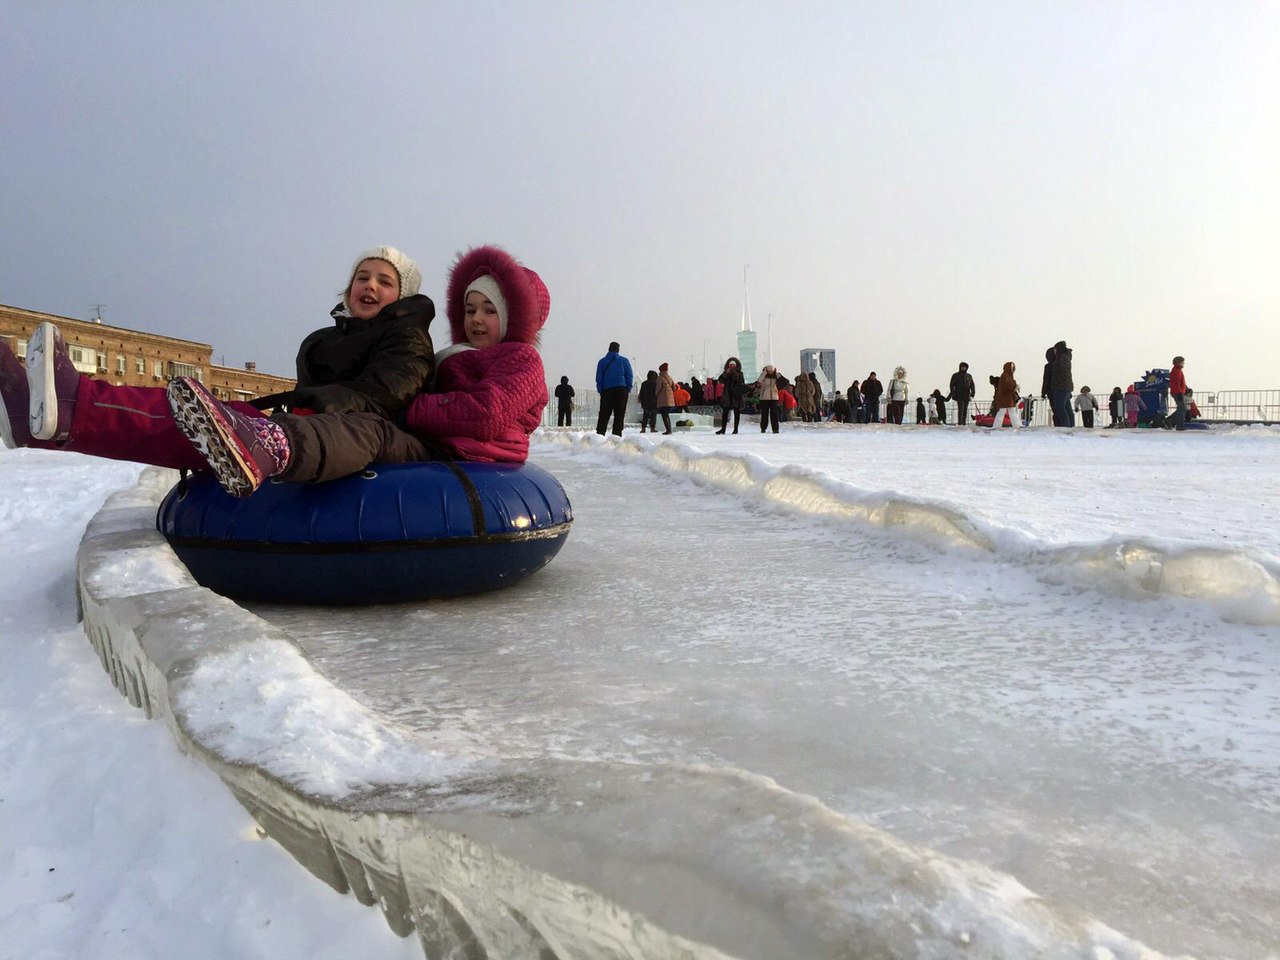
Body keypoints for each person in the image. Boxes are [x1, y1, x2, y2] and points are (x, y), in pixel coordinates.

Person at [163, 244, 550, 496]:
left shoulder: (521, 360)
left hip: (481, 462)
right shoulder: (451, 356)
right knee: (365, 428)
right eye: (470, 309)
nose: (477, 320)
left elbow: (485, 414)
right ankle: (246, 439)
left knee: (374, 430)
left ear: (515, 317)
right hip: (434, 450)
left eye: (490, 311)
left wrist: (406, 409)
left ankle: (275, 446)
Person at [4, 245, 436, 470]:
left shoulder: (408, 336)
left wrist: (332, 399)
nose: (370, 286)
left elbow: (388, 392)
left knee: (220, 425)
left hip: (365, 433)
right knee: (192, 416)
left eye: (385, 281)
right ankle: (60, 414)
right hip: (313, 425)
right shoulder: (326, 339)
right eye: (362, 277)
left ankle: (75, 407)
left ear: (402, 296)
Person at [595, 341, 633, 436]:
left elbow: (599, 377)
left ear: (609, 349)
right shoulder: (624, 361)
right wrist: (628, 388)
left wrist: (601, 390)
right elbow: (629, 375)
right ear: (618, 350)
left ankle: (600, 434)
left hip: (607, 390)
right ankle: (616, 435)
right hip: (621, 389)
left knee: (604, 414)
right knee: (619, 414)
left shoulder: (602, 362)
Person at [715, 357, 746, 434]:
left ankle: (735, 429)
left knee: (736, 412)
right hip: (728, 395)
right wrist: (726, 373)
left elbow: (739, 379)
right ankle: (723, 429)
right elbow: (721, 380)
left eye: (733, 365)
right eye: (730, 365)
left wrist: (734, 372)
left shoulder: (740, 373)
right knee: (725, 412)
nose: (732, 366)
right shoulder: (726, 372)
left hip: (736, 395)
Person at [988, 362, 1022, 430]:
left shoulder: (1007, 375)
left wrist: (1014, 386)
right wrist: (1015, 386)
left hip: (1007, 397)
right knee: (1005, 411)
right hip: (1005, 397)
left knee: (1008, 411)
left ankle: (998, 426)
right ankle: (1016, 425)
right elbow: (1008, 386)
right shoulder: (1005, 375)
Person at [1047, 341, 1074, 427]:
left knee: (1060, 407)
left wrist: (1057, 384)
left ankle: (1065, 426)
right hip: (1064, 386)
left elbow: (1062, 373)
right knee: (1066, 408)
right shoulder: (1064, 358)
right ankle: (1070, 425)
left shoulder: (1062, 359)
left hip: (1061, 387)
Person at [756, 364, 781, 433]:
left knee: (774, 414)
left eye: (772, 371)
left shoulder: (775, 376)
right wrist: (764, 373)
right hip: (764, 397)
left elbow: (783, 381)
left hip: (774, 397)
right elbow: (759, 381)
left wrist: (776, 373)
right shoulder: (763, 376)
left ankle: (775, 429)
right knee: (764, 414)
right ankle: (763, 428)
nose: (771, 372)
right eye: (769, 371)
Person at [1166, 355, 1188, 430]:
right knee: (1182, 409)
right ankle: (1178, 425)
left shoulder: (1177, 370)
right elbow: (1176, 383)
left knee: (1181, 408)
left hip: (1178, 392)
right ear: (1179, 363)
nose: (1183, 363)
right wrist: (1179, 393)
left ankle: (1172, 422)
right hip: (1177, 392)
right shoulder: (1177, 371)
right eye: (1182, 362)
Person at [656, 362, 678, 434]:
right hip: (670, 400)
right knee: (666, 415)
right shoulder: (669, 377)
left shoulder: (660, 378)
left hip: (663, 399)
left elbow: (658, 388)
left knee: (664, 415)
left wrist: (655, 395)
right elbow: (674, 387)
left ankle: (668, 430)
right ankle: (669, 430)